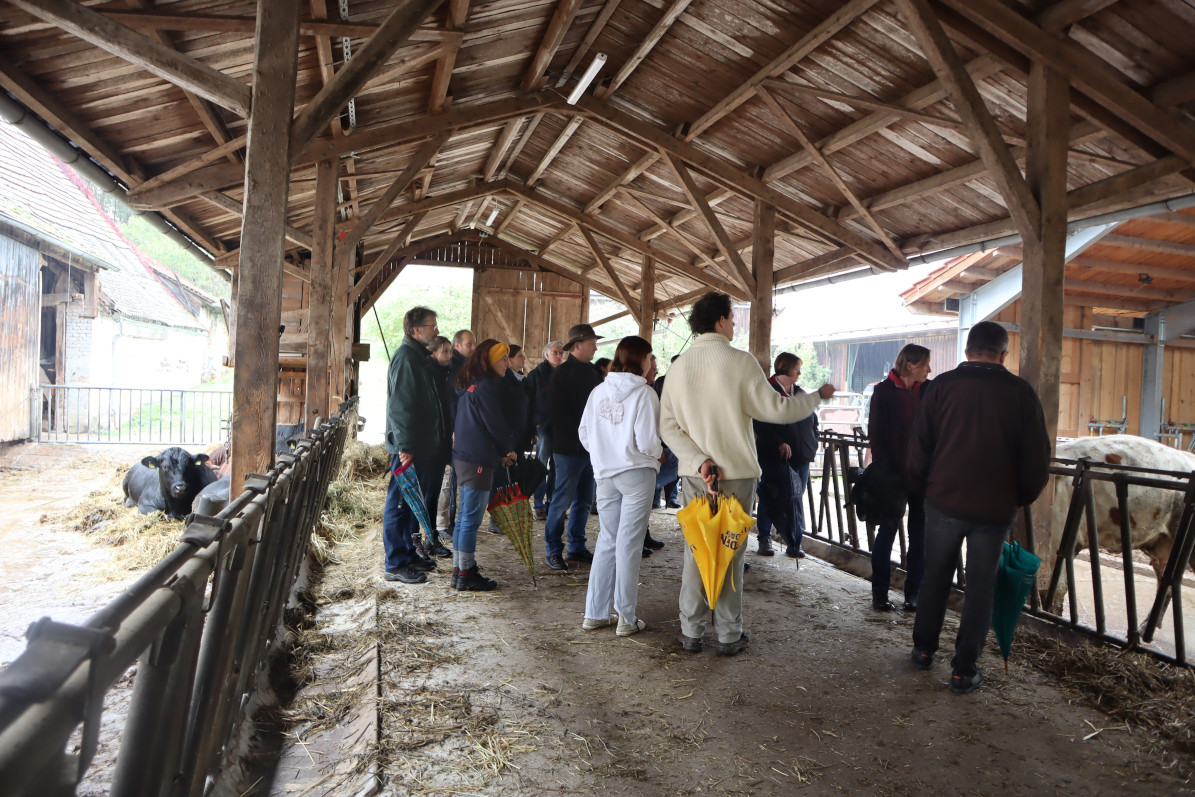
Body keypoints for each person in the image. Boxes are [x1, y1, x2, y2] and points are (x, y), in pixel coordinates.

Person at [661, 292, 835, 655]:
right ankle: (728, 634)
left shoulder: (678, 367)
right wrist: (817, 396)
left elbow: (668, 427)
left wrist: (698, 460)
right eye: (733, 318)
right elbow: (778, 409)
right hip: (737, 476)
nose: (736, 324)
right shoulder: (740, 362)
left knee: (696, 553)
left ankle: (691, 631)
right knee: (731, 554)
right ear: (722, 320)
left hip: (695, 477)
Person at [906, 321, 1050, 694]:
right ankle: (963, 669)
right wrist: (1018, 497)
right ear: (1003, 355)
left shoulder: (940, 387)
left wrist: (926, 490)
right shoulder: (1022, 393)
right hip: (994, 510)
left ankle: (923, 650)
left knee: (936, 576)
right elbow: (1037, 459)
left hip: (943, 502)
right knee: (981, 587)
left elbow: (919, 446)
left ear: (967, 351)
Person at [578, 336, 662, 635]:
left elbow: (585, 433)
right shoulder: (645, 394)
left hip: (605, 475)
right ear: (640, 359)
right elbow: (648, 441)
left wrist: (604, 454)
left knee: (607, 541)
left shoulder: (598, 391)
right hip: (637, 472)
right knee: (629, 544)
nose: (653, 363)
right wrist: (658, 455)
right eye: (650, 357)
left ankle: (595, 613)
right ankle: (626, 617)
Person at [382, 307, 450, 584]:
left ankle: (409, 554)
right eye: (432, 326)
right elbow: (401, 407)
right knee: (398, 503)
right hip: (407, 446)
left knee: (410, 501)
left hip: (420, 445)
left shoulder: (418, 357)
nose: (436, 330)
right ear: (415, 330)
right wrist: (405, 445)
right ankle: (395, 563)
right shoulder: (406, 358)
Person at [868, 344, 932, 611]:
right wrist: (885, 472)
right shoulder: (882, 392)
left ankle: (913, 594)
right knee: (888, 531)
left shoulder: (928, 391)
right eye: (925, 364)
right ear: (909, 365)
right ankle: (880, 592)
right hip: (893, 476)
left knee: (920, 537)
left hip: (921, 475)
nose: (929, 370)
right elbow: (877, 435)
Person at [451, 339, 517, 591]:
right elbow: (494, 423)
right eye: (503, 359)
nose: (507, 364)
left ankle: (460, 570)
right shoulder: (486, 385)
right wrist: (507, 449)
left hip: (467, 455)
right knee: (470, 519)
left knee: (463, 518)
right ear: (491, 361)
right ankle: (465, 572)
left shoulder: (473, 383)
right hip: (476, 460)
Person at [544, 324, 603, 571]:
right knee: (561, 500)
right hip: (568, 448)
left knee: (583, 500)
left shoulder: (593, 372)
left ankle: (577, 546)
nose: (595, 347)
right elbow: (557, 414)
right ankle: (553, 550)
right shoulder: (561, 375)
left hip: (590, 449)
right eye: (591, 344)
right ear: (577, 346)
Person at [752, 352, 812, 558]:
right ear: (785, 369)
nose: (799, 373)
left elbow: (810, 421)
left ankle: (794, 540)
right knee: (770, 495)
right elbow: (759, 421)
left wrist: (811, 444)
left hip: (800, 456)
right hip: (772, 455)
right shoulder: (766, 391)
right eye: (797, 369)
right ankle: (765, 537)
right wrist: (778, 442)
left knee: (796, 497)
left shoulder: (800, 393)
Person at [526, 340, 564, 520]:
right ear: (546, 355)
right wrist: (535, 423)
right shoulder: (536, 374)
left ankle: (553, 504)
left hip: (561, 427)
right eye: (555, 352)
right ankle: (539, 505)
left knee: (557, 465)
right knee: (542, 464)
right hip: (543, 425)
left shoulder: (566, 374)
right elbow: (528, 401)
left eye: (561, 353)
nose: (559, 356)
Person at [424, 335, 455, 558]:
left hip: (440, 441)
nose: (450, 355)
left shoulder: (444, 374)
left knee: (433, 493)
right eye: (445, 351)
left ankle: (430, 537)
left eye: (450, 351)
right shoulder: (429, 375)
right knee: (428, 493)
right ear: (433, 352)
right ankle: (426, 538)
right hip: (430, 444)